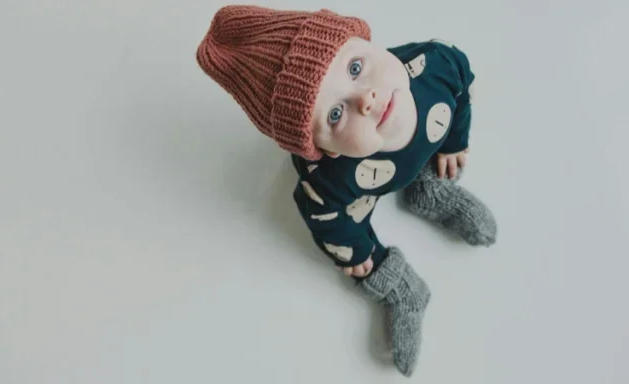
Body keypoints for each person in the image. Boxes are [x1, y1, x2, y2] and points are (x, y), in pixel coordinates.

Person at [196, 5, 497, 377]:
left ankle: (427, 188)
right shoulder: (330, 177)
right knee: (352, 249)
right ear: (327, 150)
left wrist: (454, 141)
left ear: (363, 39)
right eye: (335, 114)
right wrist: (357, 252)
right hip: (368, 183)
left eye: (355, 67)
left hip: (423, 150)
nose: (365, 100)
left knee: (431, 147)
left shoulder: (435, 66)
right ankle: (399, 285)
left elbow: (463, 84)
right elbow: (323, 216)